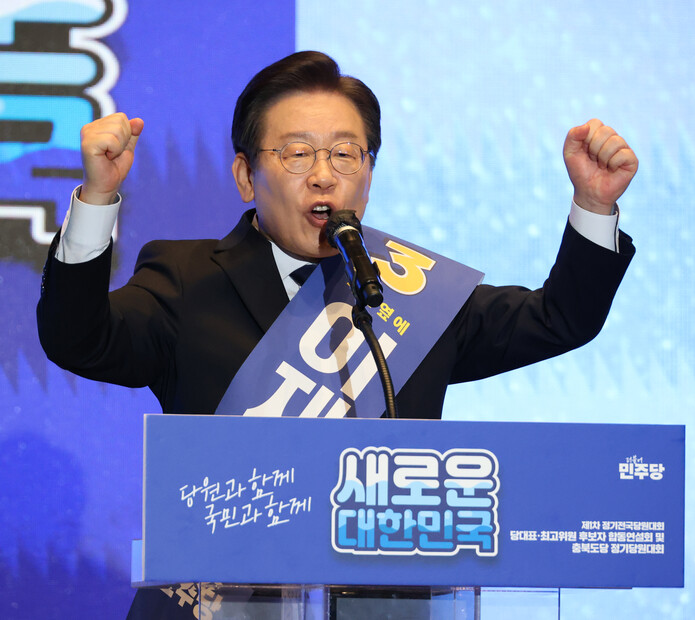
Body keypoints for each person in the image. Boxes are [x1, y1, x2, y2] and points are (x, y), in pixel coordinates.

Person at [37, 51, 637, 618]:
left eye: (346, 154)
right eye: (298, 154)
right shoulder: (187, 278)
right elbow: (79, 339)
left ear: (368, 175)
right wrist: (97, 199)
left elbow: (559, 318)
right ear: (246, 176)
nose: (324, 176)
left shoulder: (416, 296)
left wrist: (593, 204)